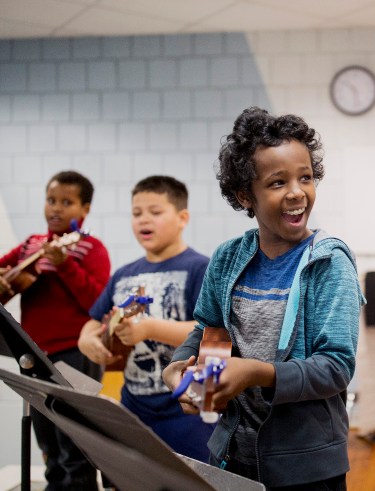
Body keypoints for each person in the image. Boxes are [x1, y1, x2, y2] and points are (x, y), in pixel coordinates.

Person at [163, 107, 364, 490]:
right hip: (233, 455)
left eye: (305, 177)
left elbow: (336, 367)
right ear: (245, 195)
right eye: (277, 182)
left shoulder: (329, 262)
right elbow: (208, 331)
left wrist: (256, 372)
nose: (296, 192)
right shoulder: (227, 258)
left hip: (307, 467)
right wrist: (178, 369)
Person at [78, 175, 214, 462]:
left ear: (182, 217)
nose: (143, 220)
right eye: (136, 213)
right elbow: (93, 321)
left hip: (188, 409)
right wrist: (85, 339)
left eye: (155, 212)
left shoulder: (201, 268)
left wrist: (150, 328)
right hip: (134, 407)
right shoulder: (124, 274)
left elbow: (209, 331)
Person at [0, 170, 110, 490]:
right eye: (51, 200)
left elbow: (97, 303)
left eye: (67, 202)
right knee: (47, 443)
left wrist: (64, 264)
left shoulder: (90, 248)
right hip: (33, 354)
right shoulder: (30, 246)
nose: (56, 208)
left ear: (85, 210)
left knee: (74, 444)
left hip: (75, 354)